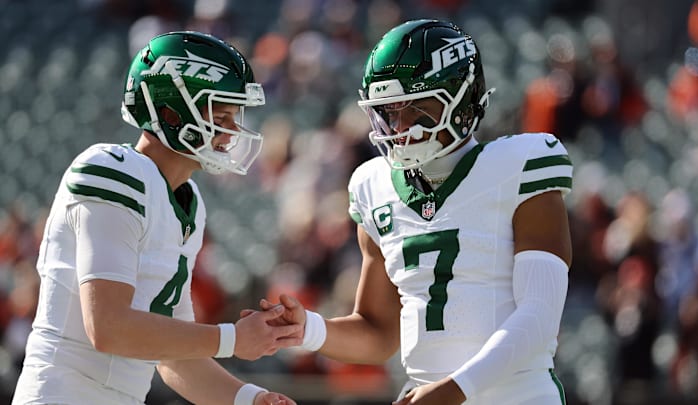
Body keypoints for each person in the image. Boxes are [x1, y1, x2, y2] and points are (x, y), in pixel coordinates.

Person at [257, 19, 573, 404]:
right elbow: (377, 332)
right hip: (427, 393)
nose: (401, 127)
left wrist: (453, 391)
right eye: (390, 112)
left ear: (462, 100)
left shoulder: (521, 162)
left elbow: (540, 316)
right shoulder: (372, 187)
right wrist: (308, 329)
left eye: (418, 109)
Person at [12, 31, 302, 405]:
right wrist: (231, 338)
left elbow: (174, 355)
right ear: (169, 111)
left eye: (234, 116)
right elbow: (109, 327)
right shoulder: (112, 171)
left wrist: (250, 398)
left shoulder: (187, 202)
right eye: (220, 114)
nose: (231, 131)